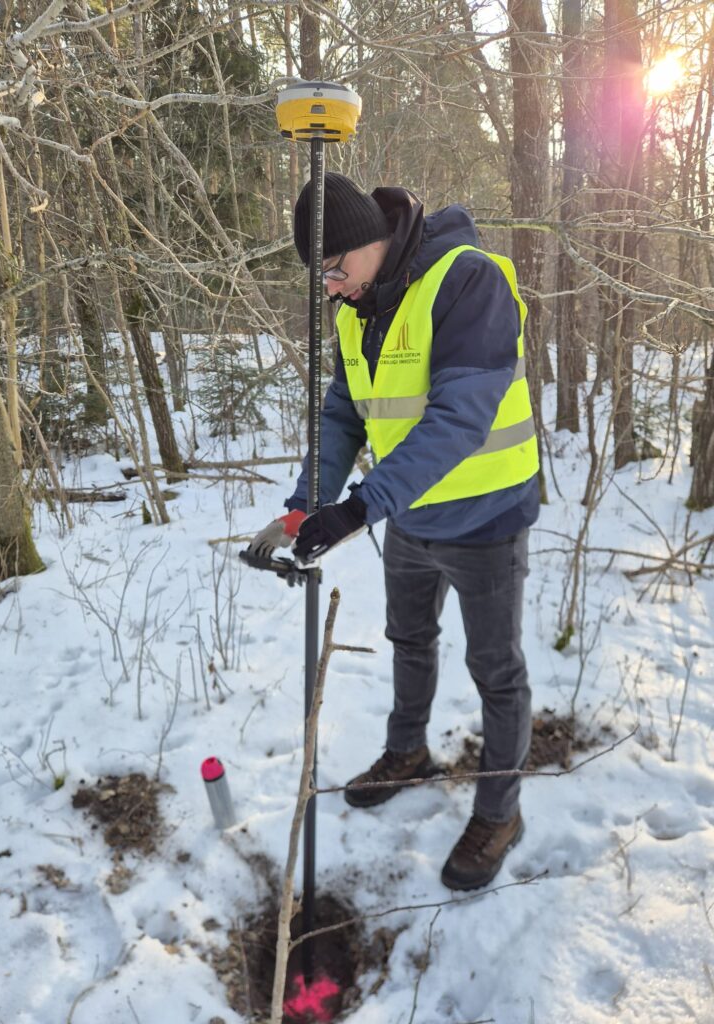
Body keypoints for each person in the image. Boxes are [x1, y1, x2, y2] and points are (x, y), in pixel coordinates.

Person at [248, 173, 539, 891]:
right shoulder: (358, 307)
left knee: (496, 672)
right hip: (408, 519)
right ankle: (406, 752)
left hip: (487, 519)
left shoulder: (467, 282)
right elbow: (344, 415)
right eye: (321, 273)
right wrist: (304, 507)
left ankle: (500, 812)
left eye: (335, 267)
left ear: (371, 244)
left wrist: (358, 507)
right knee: (410, 641)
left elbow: (458, 420)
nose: (329, 285)